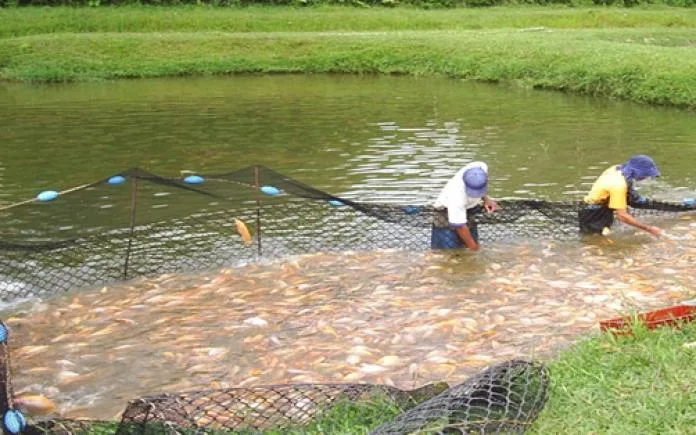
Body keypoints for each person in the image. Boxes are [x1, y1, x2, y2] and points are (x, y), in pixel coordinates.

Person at [579, 154, 662, 237]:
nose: (646, 177)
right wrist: (649, 229)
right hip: (593, 213)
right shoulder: (619, 185)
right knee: (597, 239)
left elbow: (627, 189)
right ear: (637, 171)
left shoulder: (616, 168)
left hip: (599, 205)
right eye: (645, 174)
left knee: (605, 234)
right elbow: (622, 216)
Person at [431, 161, 499, 251]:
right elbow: (459, 226)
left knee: (467, 248)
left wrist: (486, 199)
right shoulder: (456, 196)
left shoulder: (480, 167)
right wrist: (474, 248)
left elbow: (481, 184)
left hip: (468, 210)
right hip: (445, 214)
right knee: (447, 253)